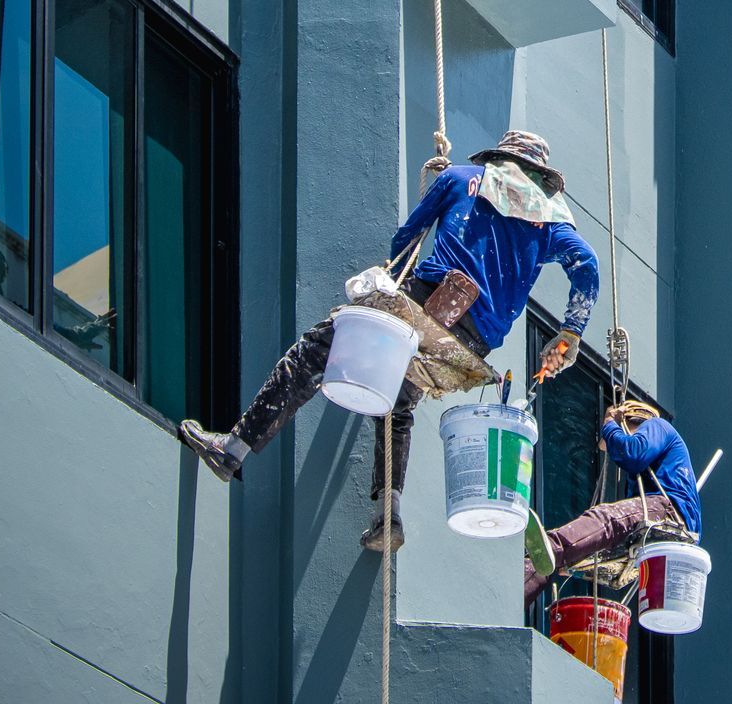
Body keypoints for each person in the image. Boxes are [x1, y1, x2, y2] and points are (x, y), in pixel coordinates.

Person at [178, 131, 600, 551]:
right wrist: (570, 332)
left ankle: (232, 448)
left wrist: (437, 192)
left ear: (499, 160)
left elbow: (405, 241)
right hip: (468, 349)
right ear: (539, 179)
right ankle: (389, 518)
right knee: (396, 405)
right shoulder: (546, 224)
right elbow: (587, 266)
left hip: (426, 309)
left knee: (317, 350)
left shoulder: (460, 179)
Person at [522, 400, 703, 602]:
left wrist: (610, 423)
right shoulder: (648, 478)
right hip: (668, 519)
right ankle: (525, 585)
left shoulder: (658, 426)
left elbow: (633, 453)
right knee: (571, 554)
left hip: (667, 511)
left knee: (606, 518)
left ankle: (552, 547)